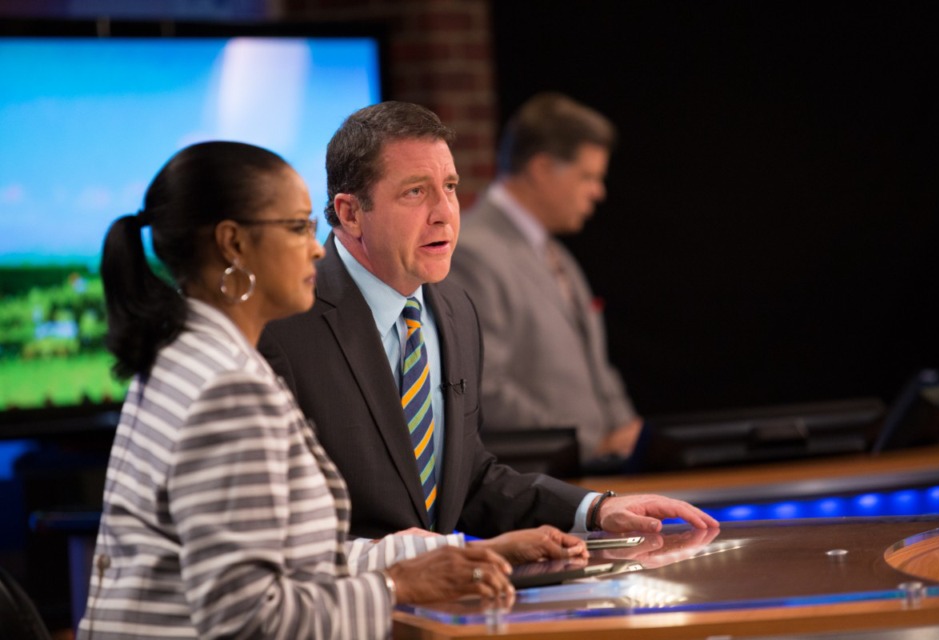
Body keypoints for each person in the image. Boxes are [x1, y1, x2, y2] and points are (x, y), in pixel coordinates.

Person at [77, 141, 591, 640]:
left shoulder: (190, 358)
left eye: (451, 187)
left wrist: (471, 553)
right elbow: (250, 619)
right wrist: (394, 587)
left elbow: (291, 560)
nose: (315, 245)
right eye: (298, 227)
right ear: (233, 243)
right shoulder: (229, 390)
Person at [258, 101, 718, 540]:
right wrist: (422, 558)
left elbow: (468, 479)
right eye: (416, 192)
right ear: (350, 213)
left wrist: (594, 510)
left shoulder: (455, 309)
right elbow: (277, 522)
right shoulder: (281, 321)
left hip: (445, 609)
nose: (444, 213)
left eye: (451, 188)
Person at [446, 92, 640, 468]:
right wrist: (591, 445)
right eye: (588, 176)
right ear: (541, 168)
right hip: (538, 486)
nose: (598, 192)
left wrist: (633, 437)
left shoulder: (558, 254)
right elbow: (483, 387)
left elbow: (598, 370)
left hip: (595, 476)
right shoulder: (471, 252)